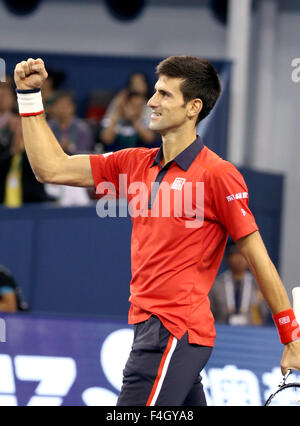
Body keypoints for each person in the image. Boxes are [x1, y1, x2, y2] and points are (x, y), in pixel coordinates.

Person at [14, 56, 300, 406]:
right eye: (155, 91)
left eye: (165, 94)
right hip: (152, 328)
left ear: (193, 107)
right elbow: (51, 168)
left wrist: (291, 336)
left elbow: (258, 258)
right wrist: (29, 96)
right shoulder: (134, 164)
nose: (152, 101)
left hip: (172, 331)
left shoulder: (218, 175)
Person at [209, 241, 269, 325]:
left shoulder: (258, 285)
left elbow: (263, 314)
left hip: (251, 333)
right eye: (235, 254)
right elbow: (209, 312)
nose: (239, 259)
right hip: (221, 331)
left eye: (243, 255)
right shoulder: (216, 284)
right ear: (227, 258)